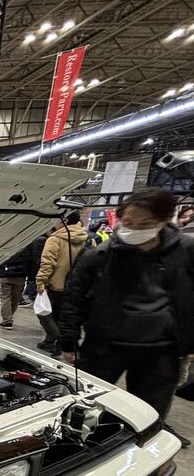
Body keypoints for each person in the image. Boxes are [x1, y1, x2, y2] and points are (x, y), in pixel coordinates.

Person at [60, 189, 193, 447]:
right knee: (87, 402)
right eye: (129, 222)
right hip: (104, 346)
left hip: (161, 349)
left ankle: (143, 451)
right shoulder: (98, 256)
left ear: (163, 220)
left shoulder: (186, 251)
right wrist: (68, 342)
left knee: (150, 411)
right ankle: (77, 446)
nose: (134, 230)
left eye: (145, 224)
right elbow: (74, 300)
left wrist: (189, 343)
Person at [35, 211, 89, 355]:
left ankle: (52, 340)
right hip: (76, 285)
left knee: (46, 314)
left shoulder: (55, 239)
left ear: (63, 221)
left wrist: (40, 282)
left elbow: (47, 263)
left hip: (56, 285)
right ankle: (56, 343)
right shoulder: (85, 238)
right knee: (64, 316)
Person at [0, 245, 33, 330]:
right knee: (15, 299)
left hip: (5, 275)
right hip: (21, 276)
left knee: (5, 299)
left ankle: (7, 321)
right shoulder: (27, 245)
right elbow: (32, 260)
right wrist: (30, 276)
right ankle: (9, 318)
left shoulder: (8, 244)